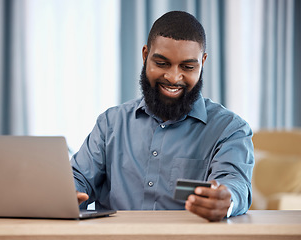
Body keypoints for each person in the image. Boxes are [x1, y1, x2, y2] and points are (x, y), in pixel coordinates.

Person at [71, 11, 254, 222]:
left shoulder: (230, 129)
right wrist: (67, 194)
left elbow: (234, 182)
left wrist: (226, 199)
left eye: (187, 67)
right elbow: (78, 178)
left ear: (202, 62)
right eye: (162, 63)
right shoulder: (111, 123)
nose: (173, 77)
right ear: (145, 55)